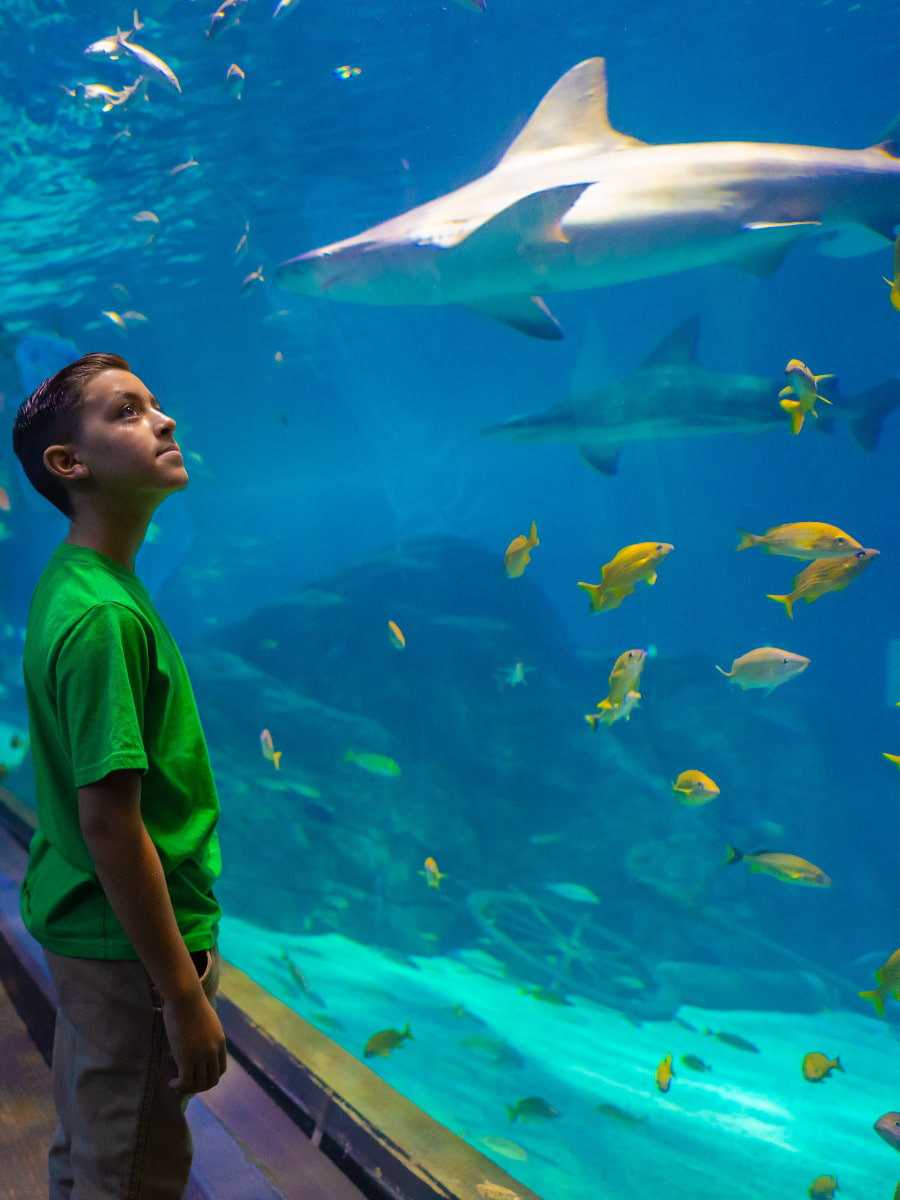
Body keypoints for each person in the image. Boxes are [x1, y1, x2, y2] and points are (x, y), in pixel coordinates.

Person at [11, 352, 226, 1200]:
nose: (164, 420)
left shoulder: (78, 580)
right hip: (130, 954)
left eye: (155, 403)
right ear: (69, 463)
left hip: (94, 933)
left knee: (92, 1149)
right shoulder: (103, 614)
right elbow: (109, 822)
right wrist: (182, 997)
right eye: (127, 411)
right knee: (130, 1171)